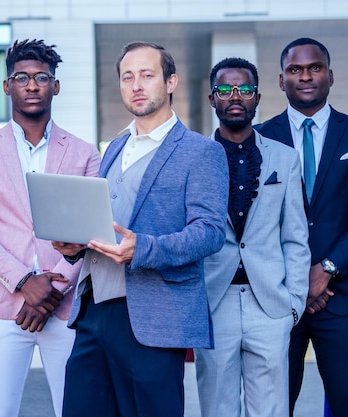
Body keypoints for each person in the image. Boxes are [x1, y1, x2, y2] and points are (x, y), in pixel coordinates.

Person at [53, 41, 229, 417]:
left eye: (147, 75)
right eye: (127, 77)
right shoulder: (114, 147)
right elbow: (106, 222)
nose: (136, 85)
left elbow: (211, 231)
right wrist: (76, 245)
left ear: (170, 82)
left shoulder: (201, 152)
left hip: (154, 315)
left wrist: (142, 249)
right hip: (93, 310)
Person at [0, 39, 101, 417]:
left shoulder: (85, 153)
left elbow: (94, 232)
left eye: (42, 77)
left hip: (67, 306)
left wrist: (52, 289)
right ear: (7, 86)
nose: (32, 85)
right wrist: (24, 281)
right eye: (22, 77)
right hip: (3, 305)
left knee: (78, 410)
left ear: (56, 86)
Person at [256, 37, 348, 417]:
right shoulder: (261, 138)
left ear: (330, 76)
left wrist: (326, 270)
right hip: (277, 299)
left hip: (345, 298)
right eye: (295, 70)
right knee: (273, 406)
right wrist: (297, 278)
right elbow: (254, 223)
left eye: (314, 68)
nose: (306, 76)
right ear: (282, 81)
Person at [194, 57, 310, 417]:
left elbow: (295, 238)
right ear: (212, 99)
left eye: (244, 89)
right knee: (218, 409)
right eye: (225, 90)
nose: (235, 97)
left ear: (257, 97)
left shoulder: (285, 158)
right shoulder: (193, 158)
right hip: (214, 302)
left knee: (271, 410)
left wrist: (293, 305)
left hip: (270, 304)